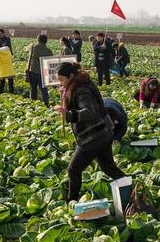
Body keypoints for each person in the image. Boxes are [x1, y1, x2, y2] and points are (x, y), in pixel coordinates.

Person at [54, 62, 125, 202]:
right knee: (109, 168)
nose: (60, 83)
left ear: (71, 76)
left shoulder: (81, 90)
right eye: (59, 80)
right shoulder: (80, 83)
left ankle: (72, 200)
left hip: (93, 137)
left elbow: (89, 112)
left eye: (62, 79)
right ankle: (130, 187)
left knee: (73, 170)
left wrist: (68, 114)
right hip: (104, 132)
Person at [26, 34, 53, 107]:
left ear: (38, 39)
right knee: (44, 90)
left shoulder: (33, 47)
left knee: (33, 89)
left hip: (33, 72)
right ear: (46, 41)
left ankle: (33, 103)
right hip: (43, 73)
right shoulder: (49, 51)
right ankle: (46, 104)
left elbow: (26, 50)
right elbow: (50, 63)